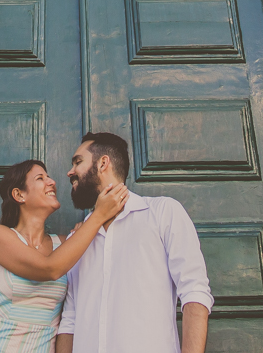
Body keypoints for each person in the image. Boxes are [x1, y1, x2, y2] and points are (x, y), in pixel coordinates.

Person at [56, 132, 213, 353]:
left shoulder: (163, 213)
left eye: (78, 162)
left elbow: (194, 292)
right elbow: (70, 319)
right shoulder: (76, 241)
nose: (70, 172)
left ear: (103, 163)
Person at [0, 158, 129, 353]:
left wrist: (82, 233)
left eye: (49, 177)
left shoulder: (66, 244)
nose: (52, 182)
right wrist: (97, 216)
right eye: (40, 178)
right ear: (19, 194)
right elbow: (49, 269)